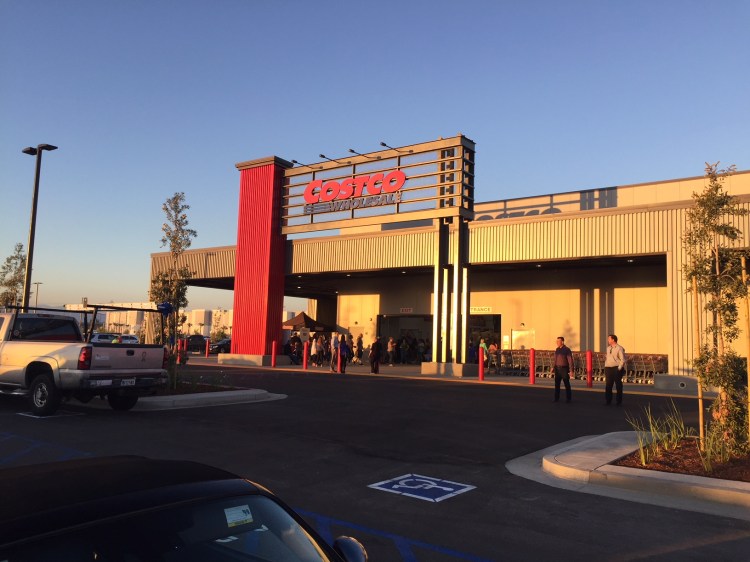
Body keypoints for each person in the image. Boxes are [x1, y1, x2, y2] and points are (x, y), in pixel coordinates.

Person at [604, 334, 626, 406]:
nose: (608, 340)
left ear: (613, 340)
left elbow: (622, 359)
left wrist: (619, 368)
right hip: (608, 368)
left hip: (616, 368)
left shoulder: (619, 348)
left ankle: (618, 401)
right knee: (608, 385)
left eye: (609, 339)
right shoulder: (608, 348)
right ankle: (608, 400)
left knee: (618, 385)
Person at [553, 336, 574, 403]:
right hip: (557, 369)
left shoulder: (567, 349)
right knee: (557, 384)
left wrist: (571, 370)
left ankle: (568, 398)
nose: (557, 342)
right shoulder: (557, 349)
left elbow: (570, 360)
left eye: (558, 341)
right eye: (556, 341)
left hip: (564, 369)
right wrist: (553, 367)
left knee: (566, 384)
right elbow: (555, 359)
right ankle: (556, 398)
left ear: (562, 342)